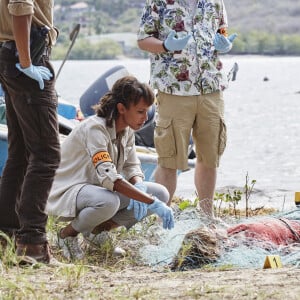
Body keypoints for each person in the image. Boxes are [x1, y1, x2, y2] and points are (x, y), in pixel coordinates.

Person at [46, 76, 174, 261]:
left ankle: (96, 232)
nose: (145, 118)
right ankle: (67, 235)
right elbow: (110, 178)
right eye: (140, 111)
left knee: (160, 192)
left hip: (96, 191)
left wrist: (139, 186)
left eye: (147, 111)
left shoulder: (127, 130)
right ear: (121, 108)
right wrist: (149, 201)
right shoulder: (95, 129)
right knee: (110, 201)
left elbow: (131, 166)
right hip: (68, 192)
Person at [137, 0, 237, 217]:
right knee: (169, 159)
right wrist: (165, 46)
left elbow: (222, 31)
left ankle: (206, 217)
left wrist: (225, 45)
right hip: (173, 88)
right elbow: (143, 39)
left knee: (210, 157)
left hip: (211, 87)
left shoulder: (215, 1)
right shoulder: (158, 2)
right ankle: (160, 218)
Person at [0, 0, 61, 263]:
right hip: (25, 56)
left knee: (21, 152)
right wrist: (26, 62)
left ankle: (7, 237)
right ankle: (32, 242)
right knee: (47, 154)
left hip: (10, 53)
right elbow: (21, 6)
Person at [172, 212, 300, 270]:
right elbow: (288, 250)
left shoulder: (231, 233)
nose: (213, 226)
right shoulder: (253, 241)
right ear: (217, 242)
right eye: (212, 230)